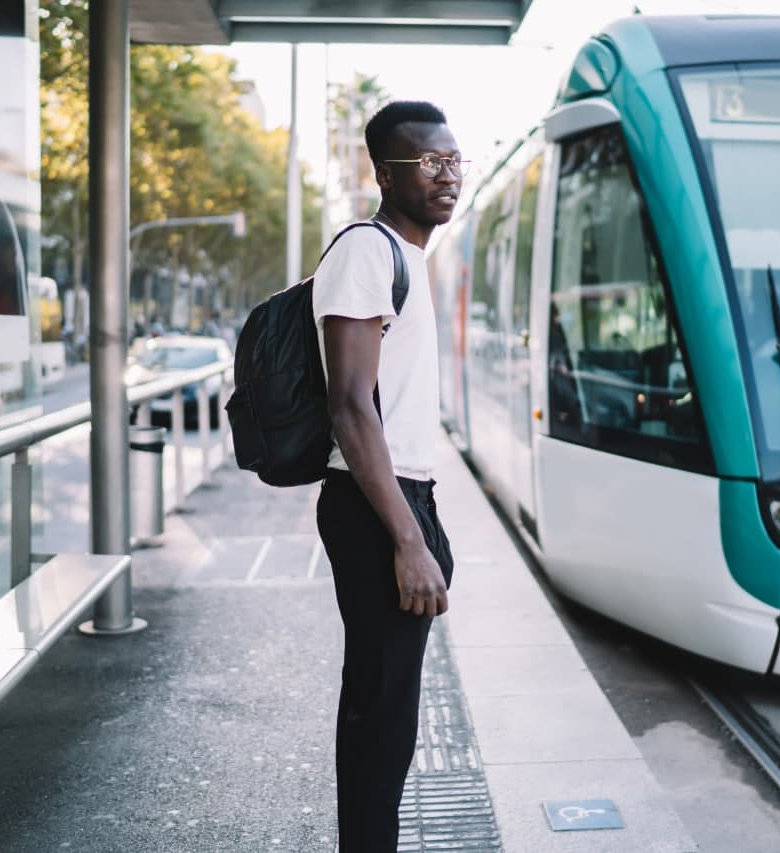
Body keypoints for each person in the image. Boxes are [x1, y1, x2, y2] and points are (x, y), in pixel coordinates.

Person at [310, 100, 466, 852]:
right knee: (380, 715)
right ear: (384, 173)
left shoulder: (410, 258)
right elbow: (349, 407)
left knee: (388, 712)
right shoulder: (366, 252)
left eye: (453, 160)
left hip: (404, 495)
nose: (448, 174)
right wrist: (408, 539)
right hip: (374, 501)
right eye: (429, 162)